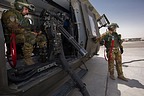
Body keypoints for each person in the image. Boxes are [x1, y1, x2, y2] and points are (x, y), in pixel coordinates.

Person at [1, 0, 47, 65]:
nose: (27, 12)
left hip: (22, 35)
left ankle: (43, 56)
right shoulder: (9, 14)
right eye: (26, 9)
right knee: (30, 36)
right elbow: (14, 28)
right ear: (19, 7)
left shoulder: (23, 19)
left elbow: (28, 27)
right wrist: (30, 33)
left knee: (42, 37)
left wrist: (36, 31)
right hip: (12, 37)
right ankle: (27, 59)